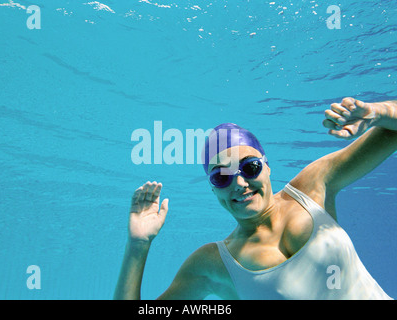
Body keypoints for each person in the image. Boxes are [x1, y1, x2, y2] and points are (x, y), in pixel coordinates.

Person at [114, 97, 397, 300]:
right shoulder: (213, 263)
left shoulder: (312, 187)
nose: (239, 183)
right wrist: (138, 245)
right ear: (213, 189)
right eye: (221, 177)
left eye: (250, 167)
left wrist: (377, 112)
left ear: (267, 166)